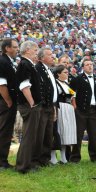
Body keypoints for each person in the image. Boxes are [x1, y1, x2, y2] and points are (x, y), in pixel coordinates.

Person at [69, 57, 96, 162]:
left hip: (94, 110)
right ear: (83, 67)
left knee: (93, 135)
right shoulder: (77, 79)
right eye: (87, 64)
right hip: (81, 110)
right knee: (78, 134)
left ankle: (94, 156)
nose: (90, 66)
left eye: (91, 64)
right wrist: (74, 106)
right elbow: (72, 93)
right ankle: (75, 157)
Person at [16, 41, 42, 173]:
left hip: (31, 105)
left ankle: (26, 163)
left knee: (31, 136)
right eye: (35, 50)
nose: (36, 52)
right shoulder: (25, 64)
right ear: (27, 50)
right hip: (29, 105)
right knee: (29, 136)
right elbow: (24, 86)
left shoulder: (27, 64)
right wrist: (32, 103)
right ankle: (23, 167)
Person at [35, 48, 58, 167]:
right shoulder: (38, 69)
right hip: (43, 106)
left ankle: (45, 159)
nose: (53, 56)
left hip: (50, 105)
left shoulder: (49, 70)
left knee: (48, 134)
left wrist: (54, 106)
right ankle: (37, 160)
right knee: (41, 133)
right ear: (42, 57)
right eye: (50, 55)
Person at [50, 65, 77, 164]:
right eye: (65, 72)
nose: (67, 74)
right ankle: (52, 157)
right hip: (60, 108)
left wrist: (73, 105)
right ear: (58, 74)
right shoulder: (55, 83)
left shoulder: (67, 83)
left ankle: (63, 157)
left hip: (68, 108)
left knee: (66, 133)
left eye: (67, 72)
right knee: (58, 132)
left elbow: (73, 96)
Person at [0, 38, 19, 170]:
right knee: (4, 131)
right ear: (7, 48)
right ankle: (2, 162)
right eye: (15, 47)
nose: (17, 49)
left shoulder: (8, 61)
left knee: (6, 131)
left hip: (7, 101)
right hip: (5, 102)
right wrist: (8, 100)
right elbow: (1, 84)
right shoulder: (3, 61)